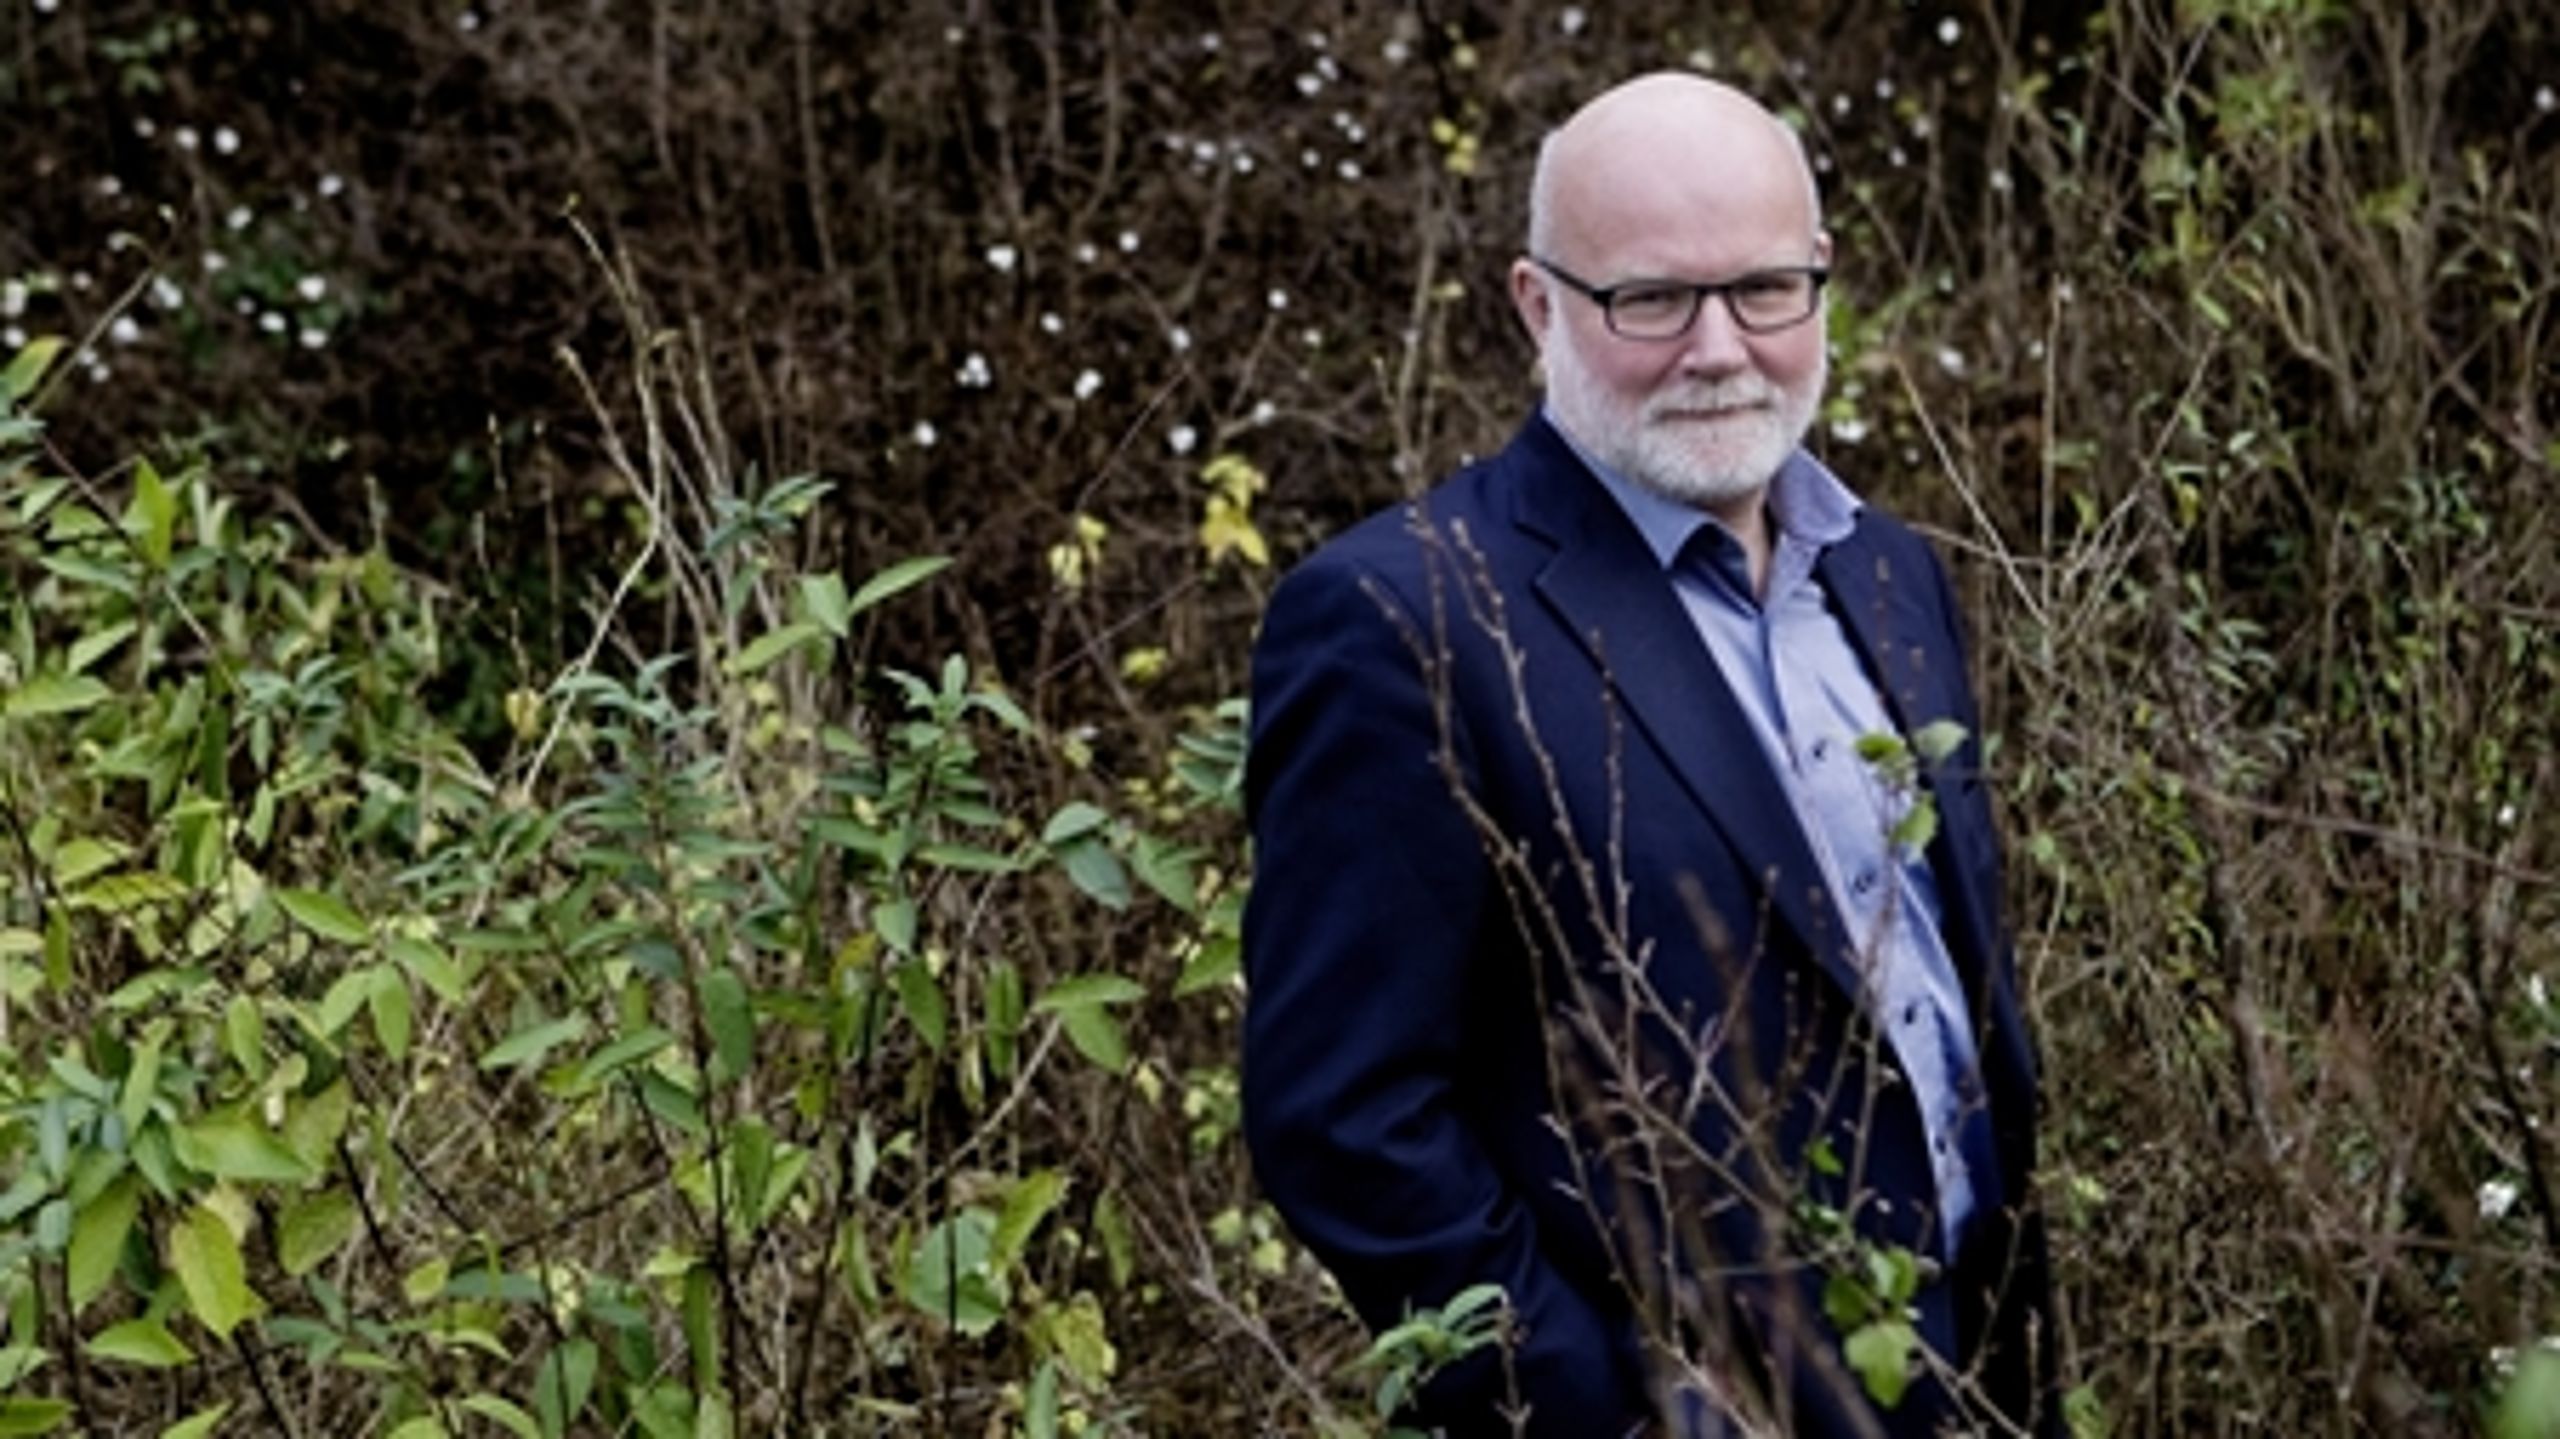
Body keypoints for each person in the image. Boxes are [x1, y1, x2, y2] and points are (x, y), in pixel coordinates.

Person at [1240, 73, 2061, 1436]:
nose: (1719, 348)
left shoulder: (1894, 576)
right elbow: (1343, 1118)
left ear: (1822, 282)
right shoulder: (1406, 621)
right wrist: (1612, 1411)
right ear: (1535, 304)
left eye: (1761, 290)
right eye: (1651, 300)